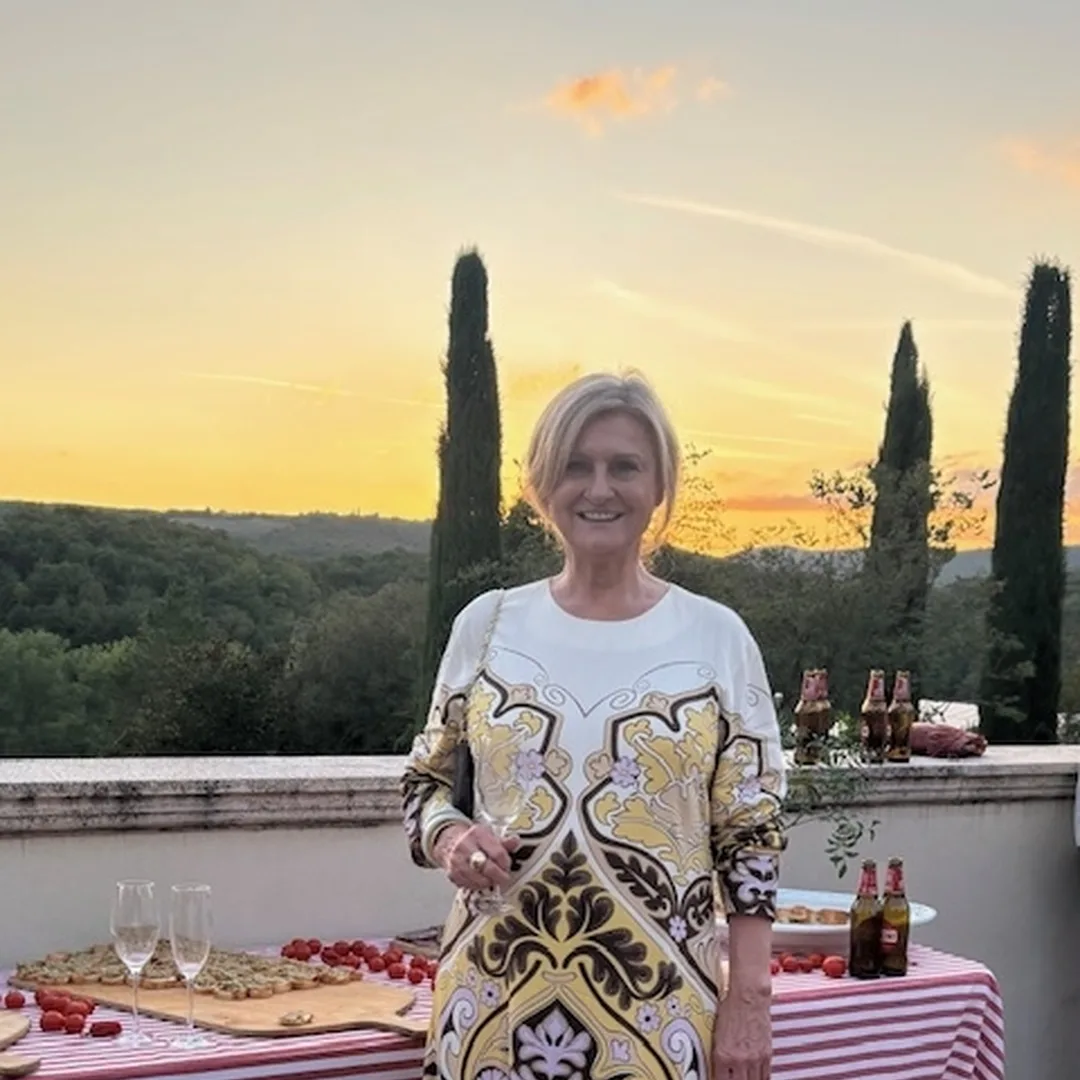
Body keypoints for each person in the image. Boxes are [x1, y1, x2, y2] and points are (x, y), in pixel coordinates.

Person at [402, 371, 787, 1080]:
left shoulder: (718, 639)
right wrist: (451, 837)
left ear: (660, 485)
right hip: (490, 1010)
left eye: (624, 467)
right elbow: (424, 784)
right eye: (576, 465)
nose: (599, 489)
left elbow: (750, 838)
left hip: (659, 1019)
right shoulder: (486, 625)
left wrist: (750, 1000)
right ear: (541, 484)